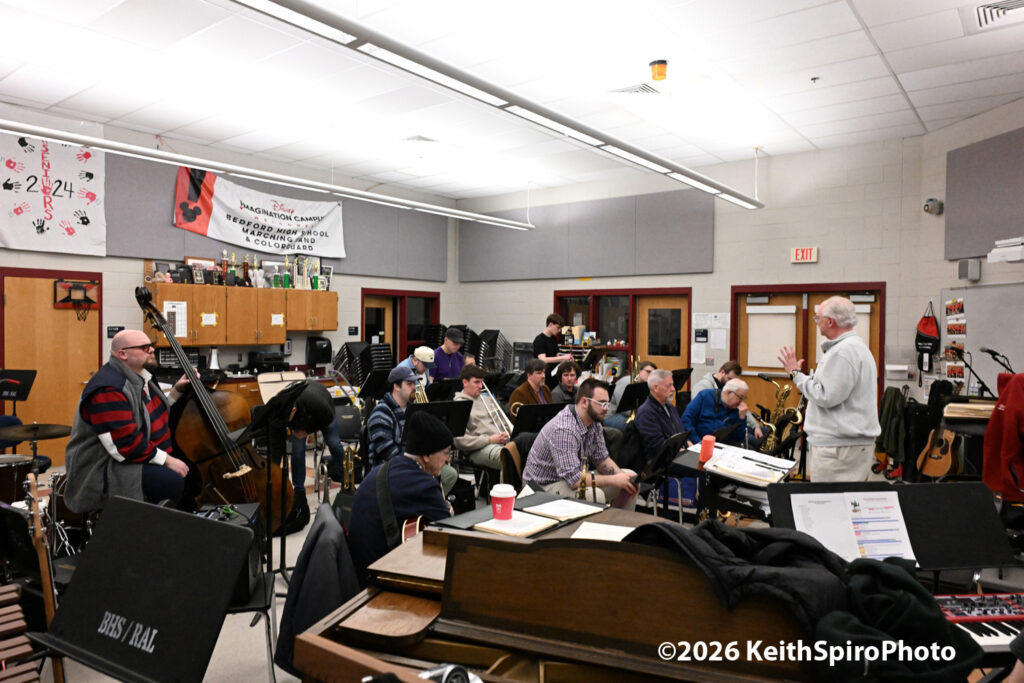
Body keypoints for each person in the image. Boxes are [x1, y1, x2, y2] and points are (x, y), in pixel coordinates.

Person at [64, 330, 191, 513]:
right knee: (169, 481)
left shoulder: (142, 375)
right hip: (106, 467)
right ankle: (150, 532)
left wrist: (177, 391)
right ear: (123, 354)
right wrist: (167, 460)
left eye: (151, 345)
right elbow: (125, 445)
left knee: (189, 466)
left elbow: (152, 415)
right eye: (144, 347)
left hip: (136, 453)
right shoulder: (108, 389)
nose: (152, 350)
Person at [778, 296, 881, 482]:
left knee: (829, 506)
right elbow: (832, 389)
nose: (817, 323)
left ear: (830, 321)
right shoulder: (854, 348)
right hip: (846, 448)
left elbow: (825, 395)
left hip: (839, 450)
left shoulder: (843, 352)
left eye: (818, 319)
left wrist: (796, 375)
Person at [346, 411, 455, 584]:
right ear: (426, 456)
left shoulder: (384, 468)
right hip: (377, 579)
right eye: (446, 453)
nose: (448, 460)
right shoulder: (423, 485)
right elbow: (450, 534)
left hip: (355, 569)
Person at [521, 378, 637, 507]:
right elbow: (575, 480)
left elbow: (602, 460)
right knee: (593, 494)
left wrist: (623, 478)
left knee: (630, 479)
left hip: (567, 480)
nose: (607, 409)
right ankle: (594, 526)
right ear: (584, 402)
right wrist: (614, 479)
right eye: (602, 404)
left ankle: (622, 524)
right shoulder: (564, 429)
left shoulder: (594, 422)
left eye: (608, 404)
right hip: (541, 488)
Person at [453, 365, 509, 471]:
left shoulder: (487, 399)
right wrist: (490, 440)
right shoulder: (459, 405)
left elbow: (503, 423)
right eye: (476, 382)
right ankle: (506, 487)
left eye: (482, 382)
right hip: (477, 449)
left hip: (500, 443)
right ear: (465, 382)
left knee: (527, 452)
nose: (481, 386)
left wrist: (505, 433)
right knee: (507, 458)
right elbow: (460, 441)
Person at [691, 360, 763, 440]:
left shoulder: (729, 387)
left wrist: (755, 426)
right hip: (715, 430)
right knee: (752, 440)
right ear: (722, 372)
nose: (731, 383)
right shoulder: (703, 386)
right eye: (729, 379)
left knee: (764, 431)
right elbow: (698, 415)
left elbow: (741, 407)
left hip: (729, 424)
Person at [366, 366, 417, 467]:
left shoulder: (413, 410)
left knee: (447, 473)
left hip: (410, 464)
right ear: (396, 387)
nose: (414, 387)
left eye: (414, 383)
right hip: (388, 471)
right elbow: (388, 453)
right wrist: (418, 460)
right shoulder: (380, 414)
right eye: (409, 384)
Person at [680, 378, 752, 447]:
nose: (741, 402)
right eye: (740, 397)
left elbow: (738, 439)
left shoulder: (737, 408)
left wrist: (742, 418)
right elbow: (686, 420)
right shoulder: (705, 396)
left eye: (743, 399)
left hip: (723, 448)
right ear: (728, 392)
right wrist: (699, 444)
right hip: (699, 443)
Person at [634, 369, 686, 457]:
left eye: (672, 385)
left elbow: (681, 434)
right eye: (668, 386)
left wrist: (689, 446)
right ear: (655, 388)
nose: (673, 389)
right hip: (662, 463)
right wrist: (684, 453)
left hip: (677, 455)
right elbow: (659, 448)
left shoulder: (671, 408)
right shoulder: (646, 413)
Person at [604, 361, 656, 431]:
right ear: (639, 371)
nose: (650, 375)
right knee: (639, 427)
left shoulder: (644, 385)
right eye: (648, 372)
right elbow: (625, 410)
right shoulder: (627, 382)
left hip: (625, 415)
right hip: (612, 416)